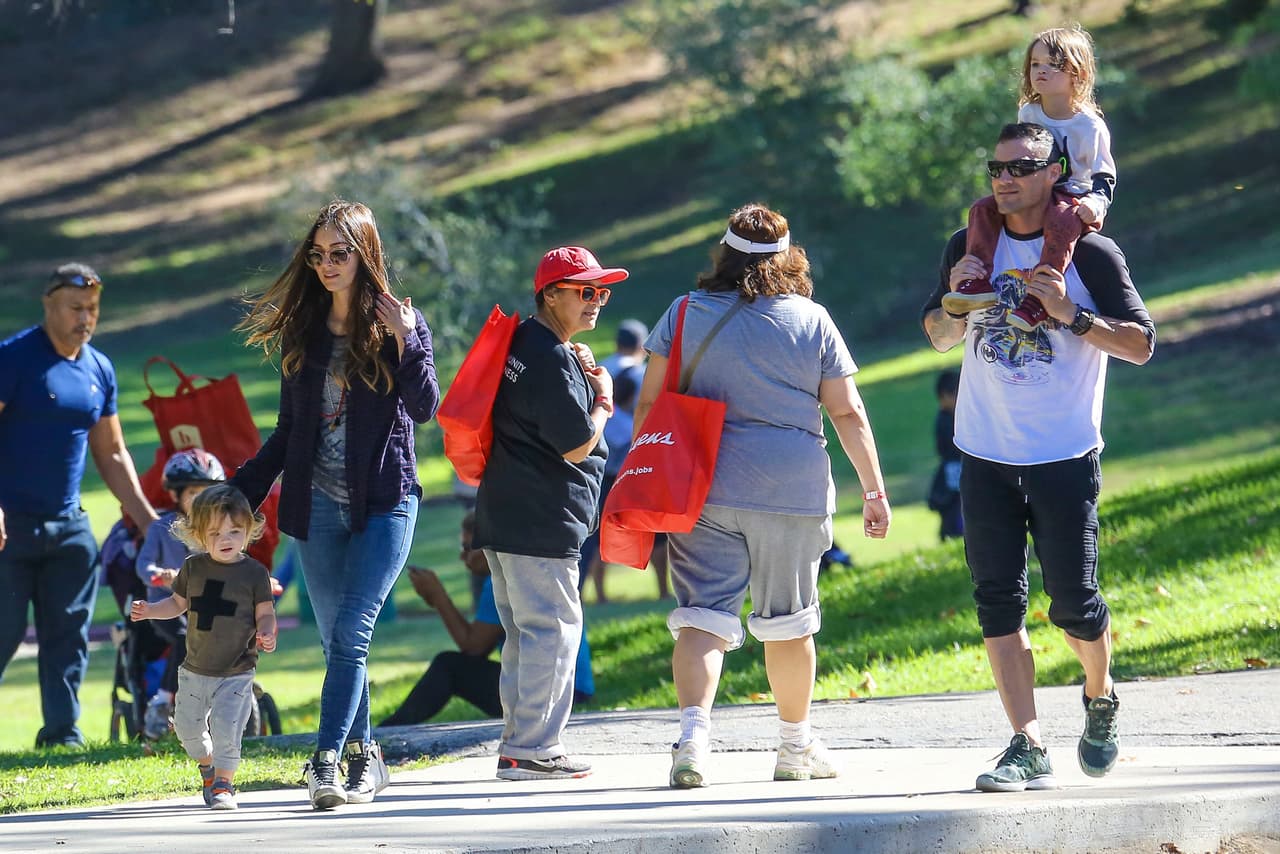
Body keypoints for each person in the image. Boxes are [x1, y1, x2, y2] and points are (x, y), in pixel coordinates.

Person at [920, 121, 1155, 793]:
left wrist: (1073, 317)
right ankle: (1026, 742)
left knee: (1074, 603)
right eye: (995, 167)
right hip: (984, 453)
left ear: (1054, 172)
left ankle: (1100, 693)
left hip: (1063, 455)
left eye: (1020, 167)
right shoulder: (969, 244)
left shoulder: (1090, 254)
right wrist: (955, 303)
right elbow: (936, 336)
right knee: (998, 601)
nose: (1004, 179)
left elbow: (1141, 344)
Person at [637, 203, 892, 789]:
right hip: (791, 489)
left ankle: (693, 742)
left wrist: (645, 469)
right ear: (788, 257)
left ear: (723, 253)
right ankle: (794, 749)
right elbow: (847, 411)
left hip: (704, 487)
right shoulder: (813, 319)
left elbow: (651, 403)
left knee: (701, 616)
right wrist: (873, 490)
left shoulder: (682, 314)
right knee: (789, 622)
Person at [230, 200, 440, 809]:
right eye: (318, 254)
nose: (327, 264)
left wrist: (407, 341)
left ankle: (323, 762)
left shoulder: (400, 322)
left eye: (340, 253)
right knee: (337, 643)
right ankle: (365, 758)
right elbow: (288, 429)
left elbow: (425, 407)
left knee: (351, 633)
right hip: (316, 502)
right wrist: (242, 488)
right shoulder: (306, 332)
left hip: (386, 501)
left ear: (365, 253)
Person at [471, 245, 627, 781]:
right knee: (553, 632)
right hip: (542, 518)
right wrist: (604, 398)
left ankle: (520, 744)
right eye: (586, 291)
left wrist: (578, 370)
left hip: (507, 514)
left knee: (525, 634)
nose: (597, 302)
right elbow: (578, 445)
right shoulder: (550, 355)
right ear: (551, 294)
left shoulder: (523, 341)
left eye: (602, 292)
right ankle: (534, 749)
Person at [0, 263, 160, 749]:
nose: (85, 318)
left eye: (91, 309)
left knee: (68, 637)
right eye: (75, 308)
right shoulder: (13, 359)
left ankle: (62, 735)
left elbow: (111, 452)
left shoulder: (98, 369)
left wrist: (147, 518)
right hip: (10, 526)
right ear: (49, 304)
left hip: (69, 526)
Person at [943, 25, 1115, 333]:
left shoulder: (1090, 126)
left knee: (1062, 219)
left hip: (1072, 198)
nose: (1042, 71)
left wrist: (1096, 204)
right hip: (1035, 192)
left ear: (1078, 73)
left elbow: (1104, 175)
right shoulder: (1029, 113)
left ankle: (1038, 297)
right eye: (1036, 64)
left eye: (1053, 64)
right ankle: (977, 280)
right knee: (983, 209)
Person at [130, 484, 277, 811]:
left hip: (237, 670)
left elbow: (265, 612)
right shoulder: (193, 569)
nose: (226, 539)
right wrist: (152, 610)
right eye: (215, 533)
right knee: (186, 729)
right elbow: (177, 603)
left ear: (249, 530)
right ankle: (208, 765)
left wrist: (267, 632)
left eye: (234, 531)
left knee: (227, 727)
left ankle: (224, 782)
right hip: (195, 669)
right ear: (197, 534)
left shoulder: (254, 573)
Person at [379, 513, 593, 727]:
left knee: (448, 665)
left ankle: (393, 729)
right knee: (454, 665)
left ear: (487, 545)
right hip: (567, 688)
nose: (462, 558)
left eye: (467, 548)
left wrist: (439, 597)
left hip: (554, 693)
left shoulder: (500, 581)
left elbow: (473, 648)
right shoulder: (523, 568)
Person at [134, 448, 228, 740]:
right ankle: (162, 700)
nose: (201, 500)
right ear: (176, 495)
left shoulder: (219, 530)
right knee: (184, 637)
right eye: (193, 493)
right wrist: (159, 575)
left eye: (208, 493)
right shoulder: (162, 528)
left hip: (206, 606)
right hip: (167, 604)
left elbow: (236, 561)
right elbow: (143, 563)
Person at [927, 370, 963, 541]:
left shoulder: (960, 416)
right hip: (953, 471)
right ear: (944, 397)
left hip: (959, 467)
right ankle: (951, 533)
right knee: (954, 504)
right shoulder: (944, 420)